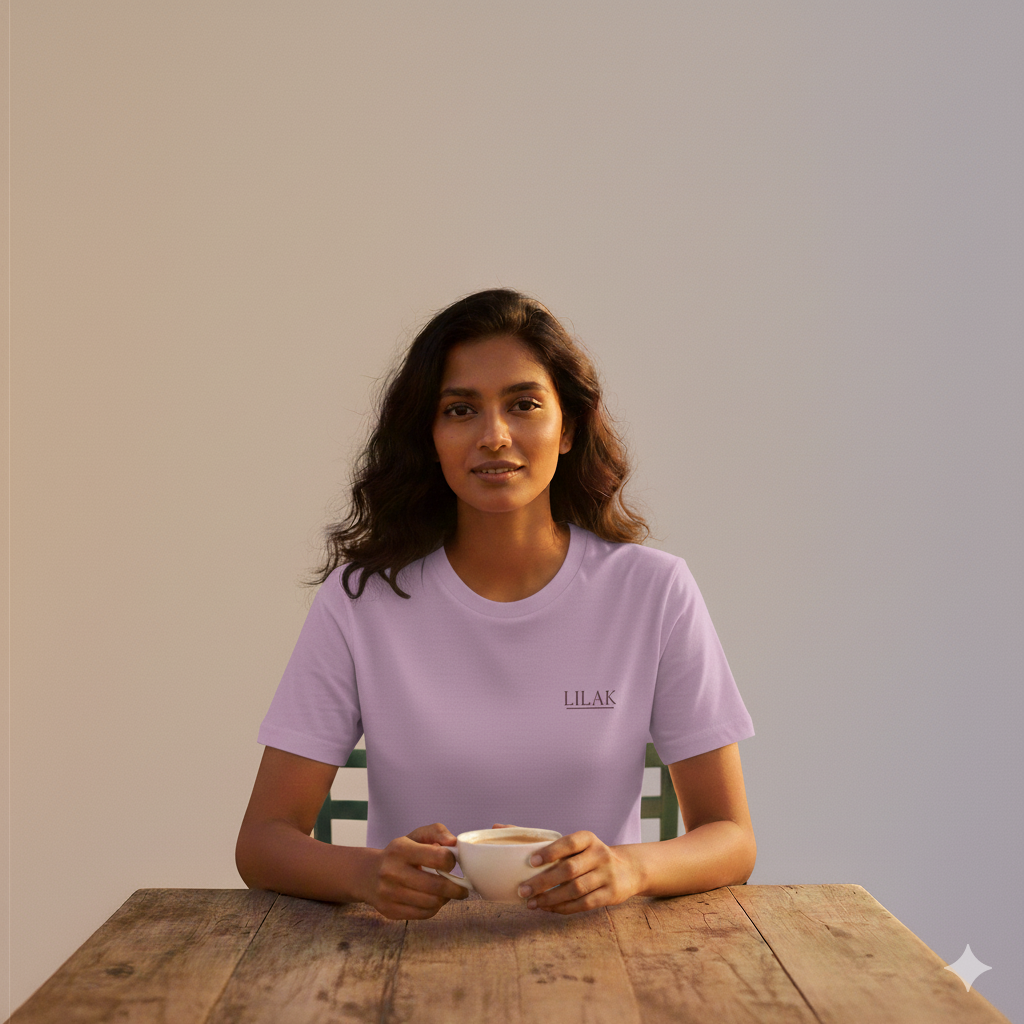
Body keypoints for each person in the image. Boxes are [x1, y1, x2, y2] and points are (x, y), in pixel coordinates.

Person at [236, 288, 756, 920]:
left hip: (602, 952)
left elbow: (731, 837)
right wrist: (367, 874)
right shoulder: (360, 601)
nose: (494, 436)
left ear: (568, 427)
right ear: (429, 436)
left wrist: (630, 868)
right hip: (404, 955)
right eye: (460, 410)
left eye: (524, 404)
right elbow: (262, 841)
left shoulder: (654, 591)